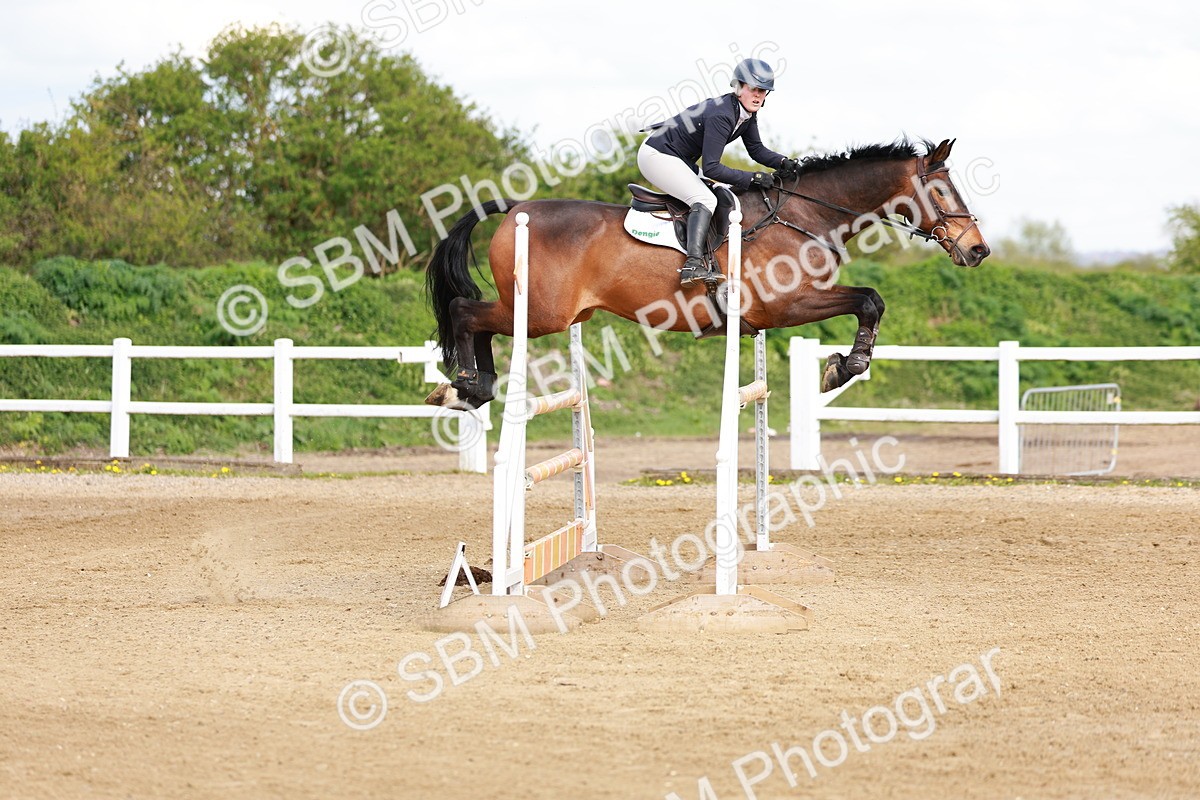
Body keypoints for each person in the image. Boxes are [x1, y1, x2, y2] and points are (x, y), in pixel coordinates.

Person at [638, 58, 799, 286]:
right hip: (657, 155)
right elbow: (712, 167)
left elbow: (756, 149)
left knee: (723, 192)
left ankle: (708, 256)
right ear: (739, 87)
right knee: (705, 199)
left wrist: (784, 162)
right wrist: (752, 178)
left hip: (678, 159)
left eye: (763, 91)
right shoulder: (722, 114)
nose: (758, 95)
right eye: (753, 89)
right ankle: (692, 265)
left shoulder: (745, 113)